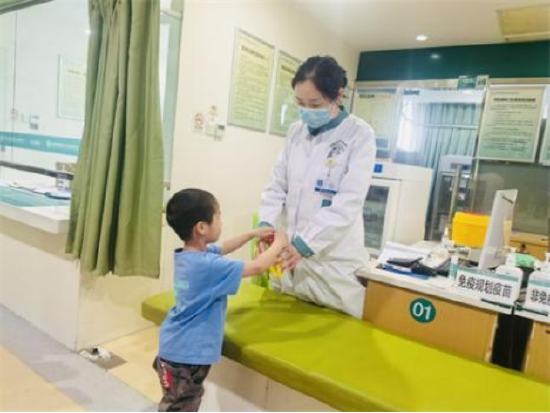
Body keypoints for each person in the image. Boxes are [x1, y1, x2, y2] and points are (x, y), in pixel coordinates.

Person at [259, 56, 377, 319]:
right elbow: (276, 186)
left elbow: (348, 202)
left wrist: (305, 245)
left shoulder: (359, 135)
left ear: (338, 95)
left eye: (314, 104)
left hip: (332, 263)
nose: (306, 111)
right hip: (289, 259)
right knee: (285, 324)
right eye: (300, 103)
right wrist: (266, 228)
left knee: (335, 332)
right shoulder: (295, 132)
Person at [154, 188, 288, 412]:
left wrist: (251, 234)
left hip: (177, 349)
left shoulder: (190, 256)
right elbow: (258, 267)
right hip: (185, 358)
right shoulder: (208, 265)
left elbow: (224, 247)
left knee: (181, 404)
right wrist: (279, 243)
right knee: (181, 406)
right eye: (218, 215)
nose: (221, 221)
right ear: (202, 227)